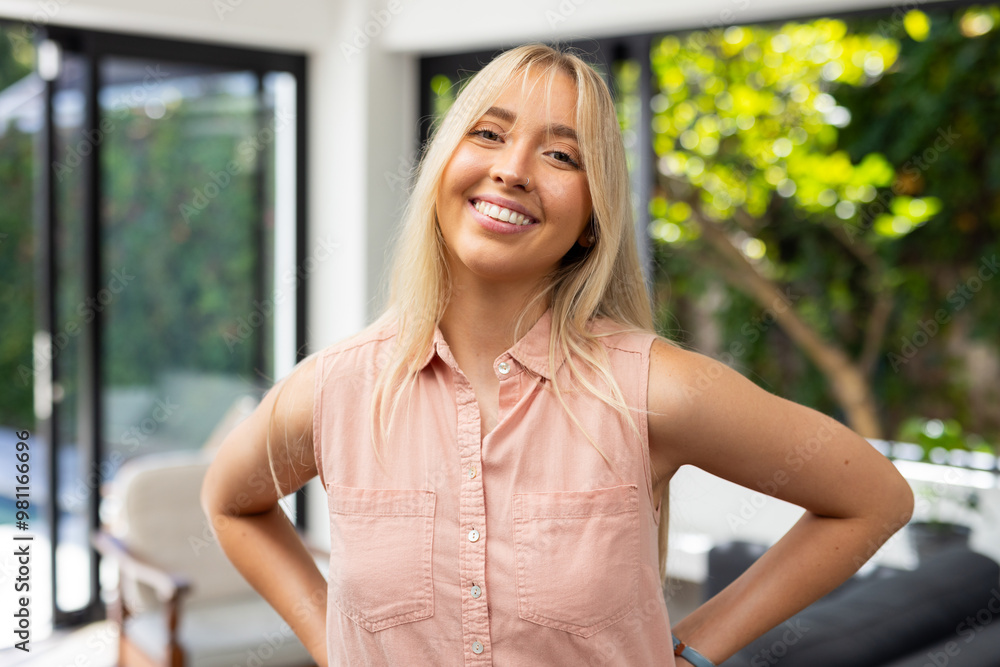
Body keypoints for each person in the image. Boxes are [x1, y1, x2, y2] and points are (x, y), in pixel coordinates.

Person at [201, 43, 914, 667]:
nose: (513, 170)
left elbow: (872, 498)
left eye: (560, 155)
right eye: (488, 133)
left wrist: (695, 647)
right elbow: (232, 503)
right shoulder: (338, 387)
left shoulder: (652, 387)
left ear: (589, 218)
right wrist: (334, 643)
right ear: (444, 162)